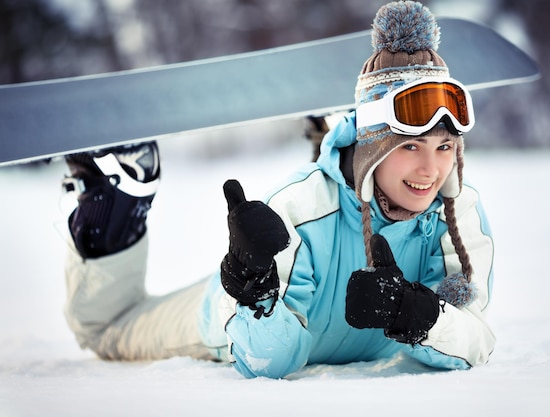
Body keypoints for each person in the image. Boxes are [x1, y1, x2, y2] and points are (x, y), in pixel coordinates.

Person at [61, 1, 495, 379]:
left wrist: (415, 314)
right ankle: (110, 208)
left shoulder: (457, 212)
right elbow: (270, 362)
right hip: (234, 318)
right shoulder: (300, 206)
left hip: (326, 271)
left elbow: (476, 340)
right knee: (108, 329)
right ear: (373, 143)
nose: (431, 169)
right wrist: (258, 295)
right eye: (411, 146)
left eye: (444, 147)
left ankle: (326, 138)